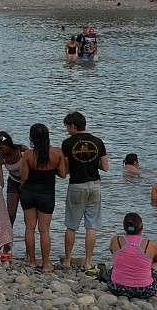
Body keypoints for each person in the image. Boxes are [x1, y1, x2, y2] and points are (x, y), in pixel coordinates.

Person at [61, 111, 109, 270]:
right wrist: (93, 163)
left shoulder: (67, 143)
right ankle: (88, 262)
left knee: (71, 226)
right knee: (91, 226)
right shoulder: (98, 141)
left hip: (76, 186)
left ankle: (67, 261)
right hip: (95, 186)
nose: (67, 130)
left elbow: (66, 170)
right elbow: (106, 167)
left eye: (68, 126)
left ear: (74, 126)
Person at [20, 124, 67, 272]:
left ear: (32, 138)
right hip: (47, 194)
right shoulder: (57, 152)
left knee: (29, 227)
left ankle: (32, 261)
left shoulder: (28, 154)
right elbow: (63, 174)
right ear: (47, 136)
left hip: (28, 193)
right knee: (44, 230)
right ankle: (46, 264)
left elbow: (24, 177)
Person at [107, 213, 157, 299]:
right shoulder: (151, 244)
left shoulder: (116, 240)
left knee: (119, 257)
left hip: (117, 288)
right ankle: (154, 287)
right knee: (153, 260)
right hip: (145, 290)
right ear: (142, 227)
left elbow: (112, 251)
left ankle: (122, 278)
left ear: (125, 227)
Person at [0, 131, 29, 258]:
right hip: (13, 183)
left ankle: (29, 251)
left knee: (27, 218)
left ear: (8, 144)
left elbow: (31, 164)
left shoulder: (22, 150)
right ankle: (7, 246)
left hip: (27, 183)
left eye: (1, 148)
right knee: (10, 216)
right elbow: (0, 180)